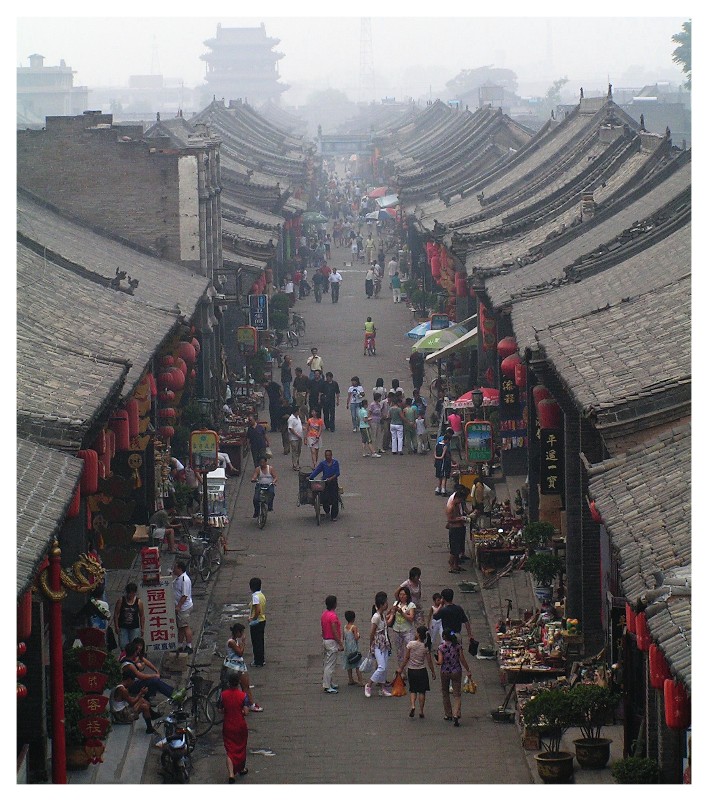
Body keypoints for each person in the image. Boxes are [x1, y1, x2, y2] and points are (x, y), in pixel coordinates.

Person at [396, 625, 436, 718]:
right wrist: (433, 672)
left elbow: (406, 658)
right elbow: (429, 661)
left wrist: (401, 668)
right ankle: (421, 711)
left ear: (418, 634)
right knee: (422, 691)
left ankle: (413, 705)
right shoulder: (425, 647)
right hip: (422, 670)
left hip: (411, 670)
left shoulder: (411, 644)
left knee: (413, 690)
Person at [222, 623, 262, 712]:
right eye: (242, 632)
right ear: (237, 632)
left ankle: (248, 703)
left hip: (237, 665)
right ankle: (250, 704)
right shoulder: (231, 642)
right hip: (235, 666)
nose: (243, 634)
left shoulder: (234, 640)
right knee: (245, 686)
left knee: (245, 686)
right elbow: (240, 652)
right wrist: (243, 643)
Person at [436, 630, 473, 726]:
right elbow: (462, 659)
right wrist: (468, 669)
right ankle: (456, 714)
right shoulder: (457, 646)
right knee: (457, 695)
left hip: (445, 671)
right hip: (456, 671)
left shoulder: (441, 647)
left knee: (445, 692)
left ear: (444, 637)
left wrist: (437, 661)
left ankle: (448, 714)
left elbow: (440, 661)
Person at [222, 671, 250, 782]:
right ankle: (241, 768)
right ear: (238, 683)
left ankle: (231, 773)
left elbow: (220, 709)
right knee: (241, 747)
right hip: (240, 726)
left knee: (230, 750)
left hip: (228, 725)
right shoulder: (243, 696)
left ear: (229, 683)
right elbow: (246, 712)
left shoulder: (223, 695)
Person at [364, 592, 393, 697]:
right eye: (385, 603)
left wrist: (391, 613)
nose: (387, 604)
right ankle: (369, 684)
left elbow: (386, 625)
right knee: (381, 666)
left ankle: (382, 688)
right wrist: (370, 645)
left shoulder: (382, 615)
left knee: (385, 666)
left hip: (384, 643)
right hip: (377, 644)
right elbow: (372, 633)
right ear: (381, 604)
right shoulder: (376, 617)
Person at [387, 585, 416, 673]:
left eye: (404, 595)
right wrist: (392, 612)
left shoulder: (411, 605)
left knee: (410, 650)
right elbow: (389, 613)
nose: (402, 596)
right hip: (397, 629)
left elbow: (411, 618)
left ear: (407, 596)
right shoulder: (396, 603)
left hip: (407, 630)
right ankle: (402, 671)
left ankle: (410, 668)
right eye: (400, 594)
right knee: (399, 652)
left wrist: (402, 612)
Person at [321, 595, 344, 694]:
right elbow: (334, 631)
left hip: (325, 639)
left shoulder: (324, 614)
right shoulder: (333, 616)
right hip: (331, 641)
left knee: (327, 662)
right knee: (330, 665)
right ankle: (327, 685)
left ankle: (330, 682)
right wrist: (340, 643)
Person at [309, 449, 340, 521]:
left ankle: (334, 516)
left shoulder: (335, 463)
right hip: (325, 483)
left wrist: (331, 478)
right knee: (324, 498)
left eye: (329, 455)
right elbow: (316, 471)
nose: (328, 457)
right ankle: (327, 511)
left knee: (335, 499)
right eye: (326, 455)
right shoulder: (323, 464)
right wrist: (310, 477)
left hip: (333, 483)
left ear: (331, 456)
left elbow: (337, 473)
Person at [446, 484, 470, 573]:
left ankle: (456, 565)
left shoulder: (457, 505)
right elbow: (450, 519)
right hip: (454, 530)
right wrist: (460, 518)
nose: (460, 501)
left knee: (458, 549)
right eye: (459, 499)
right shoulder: (451, 507)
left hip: (459, 528)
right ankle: (451, 565)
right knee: (454, 550)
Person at [113, 582, 145, 649]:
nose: (131, 595)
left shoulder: (139, 602)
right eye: (130, 593)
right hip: (123, 627)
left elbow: (141, 615)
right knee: (123, 645)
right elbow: (116, 614)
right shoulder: (121, 600)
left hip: (134, 627)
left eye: (133, 593)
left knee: (134, 646)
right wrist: (116, 626)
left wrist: (142, 628)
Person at [173, 561, 193, 653]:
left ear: (180, 569)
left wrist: (179, 606)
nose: (174, 569)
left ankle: (189, 646)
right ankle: (180, 645)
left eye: (175, 568)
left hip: (184, 608)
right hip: (181, 607)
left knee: (185, 627)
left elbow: (184, 595)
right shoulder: (178, 578)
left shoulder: (185, 579)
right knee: (180, 627)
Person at [248, 577, 266, 667]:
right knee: (260, 641)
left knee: (256, 642)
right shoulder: (261, 595)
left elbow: (258, 609)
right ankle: (261, 659)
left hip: (257, 622)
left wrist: (252, 618)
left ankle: (258, 661)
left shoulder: (255, 597)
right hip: (262, 620)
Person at [343, 611, 364, 686]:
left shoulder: (345, 627)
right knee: (358, 664)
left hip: (347, 648)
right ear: (353, 618)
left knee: (349, 664)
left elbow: (344, 637)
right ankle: (360, 680)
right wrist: (358, 635)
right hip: (354, 648)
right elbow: (356, 637)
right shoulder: (354, 627)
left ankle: (350, 679)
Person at [287, 404, 304, 471]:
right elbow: (291, 428)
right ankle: (295, 464)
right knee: (295, 451)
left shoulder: (298, 417)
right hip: (294, 438)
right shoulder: (291, 419)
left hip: (299, 437)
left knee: (299, 450)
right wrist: (297, 435)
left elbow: (299, 425)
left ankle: (297, 462)